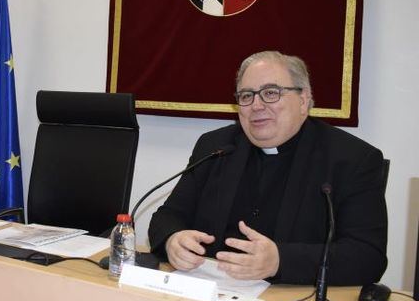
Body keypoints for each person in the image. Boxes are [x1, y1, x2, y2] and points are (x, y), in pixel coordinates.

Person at [148, 51, 388, 285]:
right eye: (246, 96)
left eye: (271, 93)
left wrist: (280, 261)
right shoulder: (215, 147)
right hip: (209, 292)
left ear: (303, 100)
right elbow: (167, 217)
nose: (257, 105)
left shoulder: (353, 159)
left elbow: (367, 256)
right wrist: (173, 240)